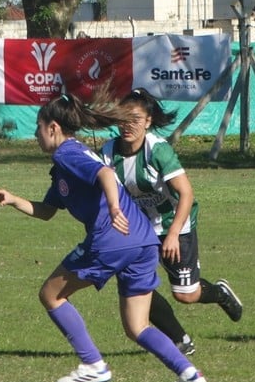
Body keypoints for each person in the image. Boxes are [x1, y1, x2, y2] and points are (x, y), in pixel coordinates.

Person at [0, 92, 208, 382]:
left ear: (52, 127)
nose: (35, 134)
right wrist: (13, 199)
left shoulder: (68, 153)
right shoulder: (63, 166)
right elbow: (47, 211)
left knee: (51, 295)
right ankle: (189, 374)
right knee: (137, 327)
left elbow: (106, 173)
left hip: (112, 239)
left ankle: (92, 364)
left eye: (38, 127)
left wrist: (115, 208)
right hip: (142, 241)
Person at [100, 89, 243, 354]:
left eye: (135, 119)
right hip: (140, 229)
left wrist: (174, 233)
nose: (128, 125)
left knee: (185, 294)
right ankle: (180, 340)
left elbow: (186, 193)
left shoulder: (157, 150)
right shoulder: (109, 151)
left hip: (175, 224)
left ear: (148, 121)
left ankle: (219, 293)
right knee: (137, 284)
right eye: (122, 118)